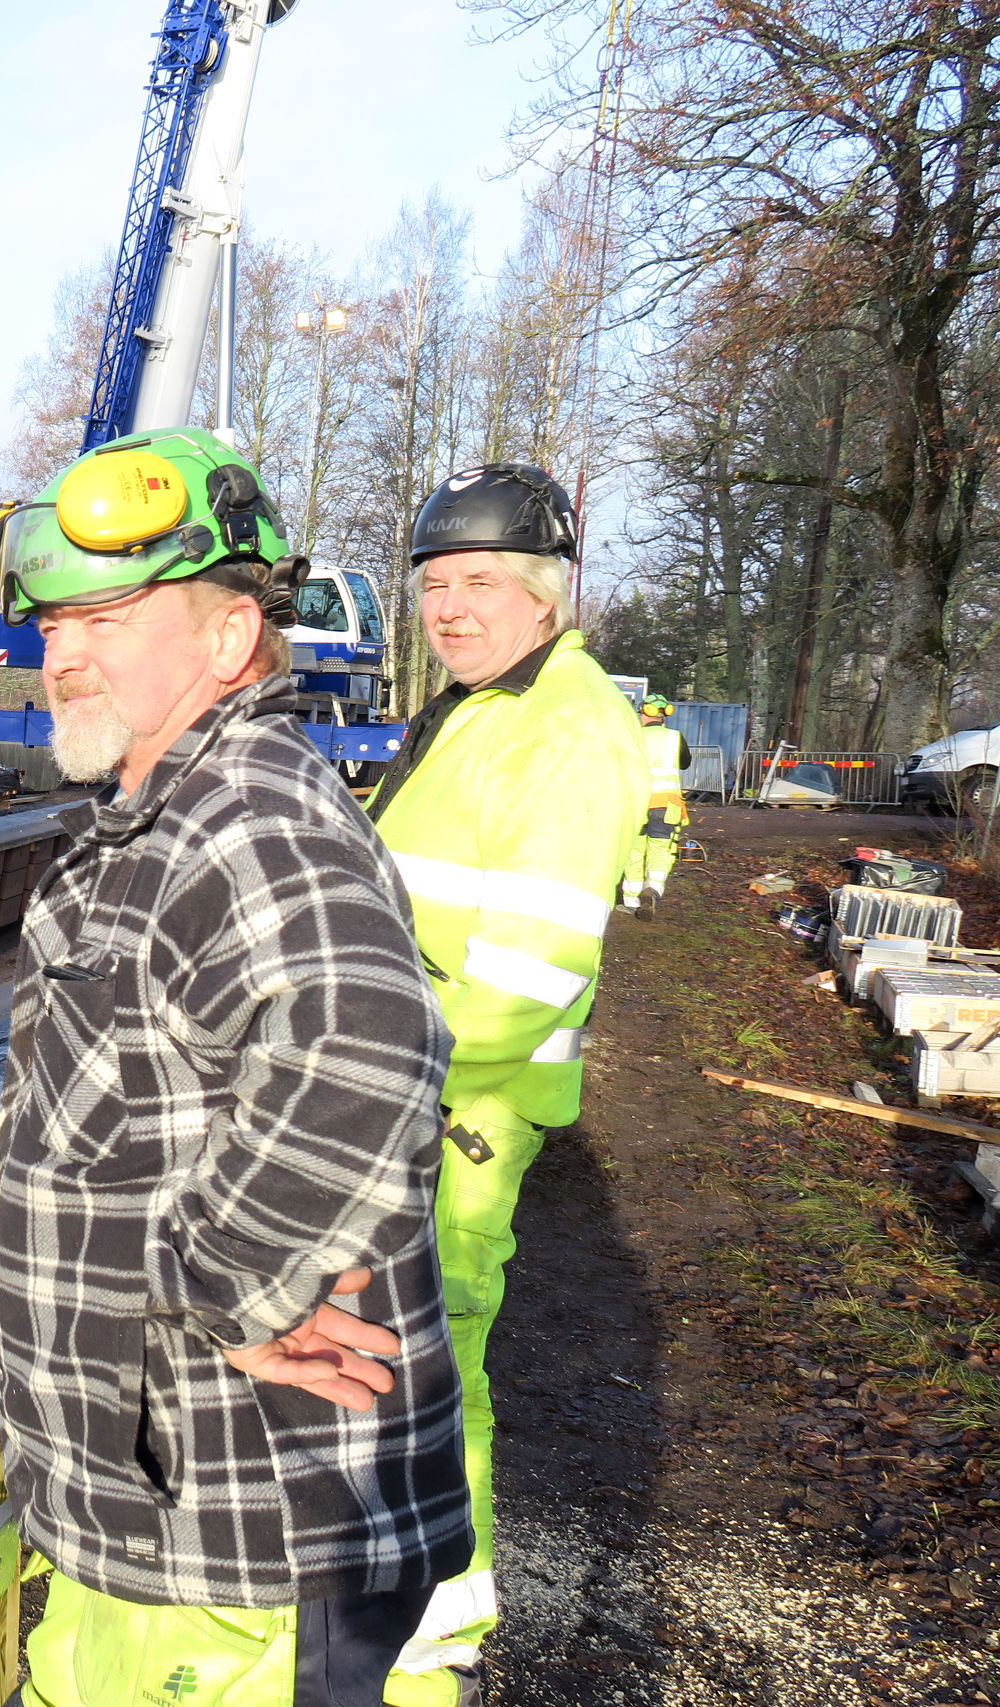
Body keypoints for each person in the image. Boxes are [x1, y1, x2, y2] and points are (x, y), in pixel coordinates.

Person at [0, 428, 472, 1706]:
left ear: (227, 638)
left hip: (252, 1546)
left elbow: (365, 1048)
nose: (63, 654)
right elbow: (105, 1126)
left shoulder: (246, 816)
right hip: (151, 1518)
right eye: (53, 621)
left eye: (111, 617)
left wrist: (236, 1289)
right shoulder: (156, 818)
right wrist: (5, 1315)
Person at [365, 463, 649, 1703]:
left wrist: (364, 1085)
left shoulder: (565, 730)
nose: (449, 607)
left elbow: (521, 979)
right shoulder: (487, 703)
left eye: (479, 582)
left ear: (545, 593)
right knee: (398, 1362)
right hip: (425, 1093)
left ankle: (424, 1633)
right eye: (432, 584)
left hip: (455, 1111)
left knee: (414, 1370)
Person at [623, 694, 691, 918]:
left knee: (633, 851)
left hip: (635, 803)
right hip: (666, 805)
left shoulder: (632, 736)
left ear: (643, 713)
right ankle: (652, 890)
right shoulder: (674, 737)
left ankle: (631, 901)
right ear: (664, 716)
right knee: (660, 849)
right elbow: (685, 763)